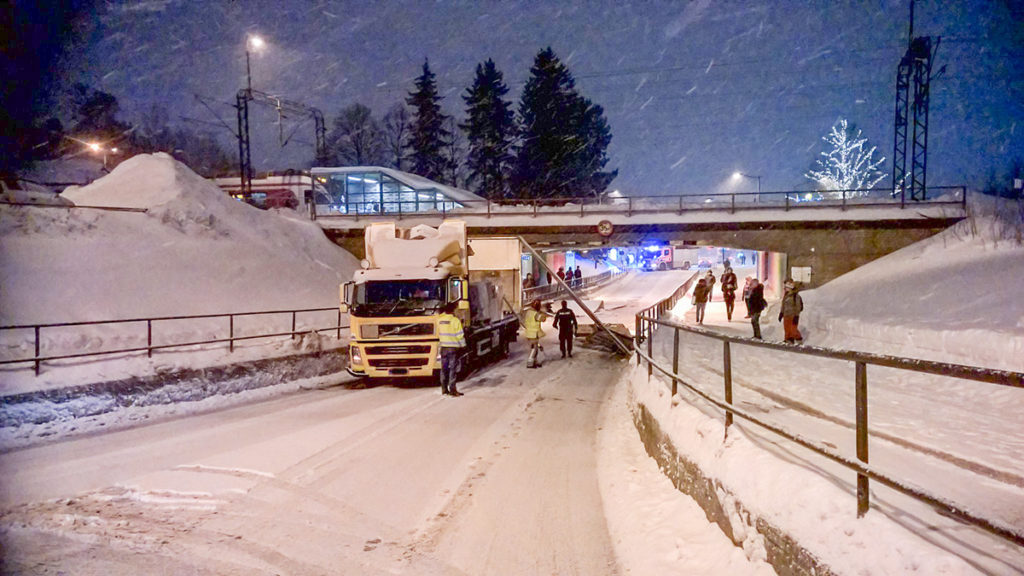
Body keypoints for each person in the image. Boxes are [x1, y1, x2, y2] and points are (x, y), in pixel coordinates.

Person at [437, 303, 466, 396]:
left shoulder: (440, 320)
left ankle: (444, 389)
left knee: (444, 369)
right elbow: (460, 335)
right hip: (452, 348)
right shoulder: (455, 321)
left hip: (443, 347)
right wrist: (463, 346)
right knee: (453, 369)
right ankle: (453, 390)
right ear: (453, 310)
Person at [523, 299, 549, 368]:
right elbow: (543, 319)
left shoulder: (528, 312)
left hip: (529, 332)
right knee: (534, 348)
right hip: (534, 333)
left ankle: (535, 361)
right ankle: (530, 361)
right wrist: (543, 312)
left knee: (535, 347)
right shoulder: (536, 314)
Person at [779, 279, 804, 344]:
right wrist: (781, 313)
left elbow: (798, 307)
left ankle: (798, 338)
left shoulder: (796, 296)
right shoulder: (786, 295)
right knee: (787, 328)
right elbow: (783, 305)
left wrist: (796, 315)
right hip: (786, 314)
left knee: (793, 329)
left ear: (790, 288)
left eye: (786, 288)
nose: (785, 289)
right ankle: (788, 339)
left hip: (793, 315)